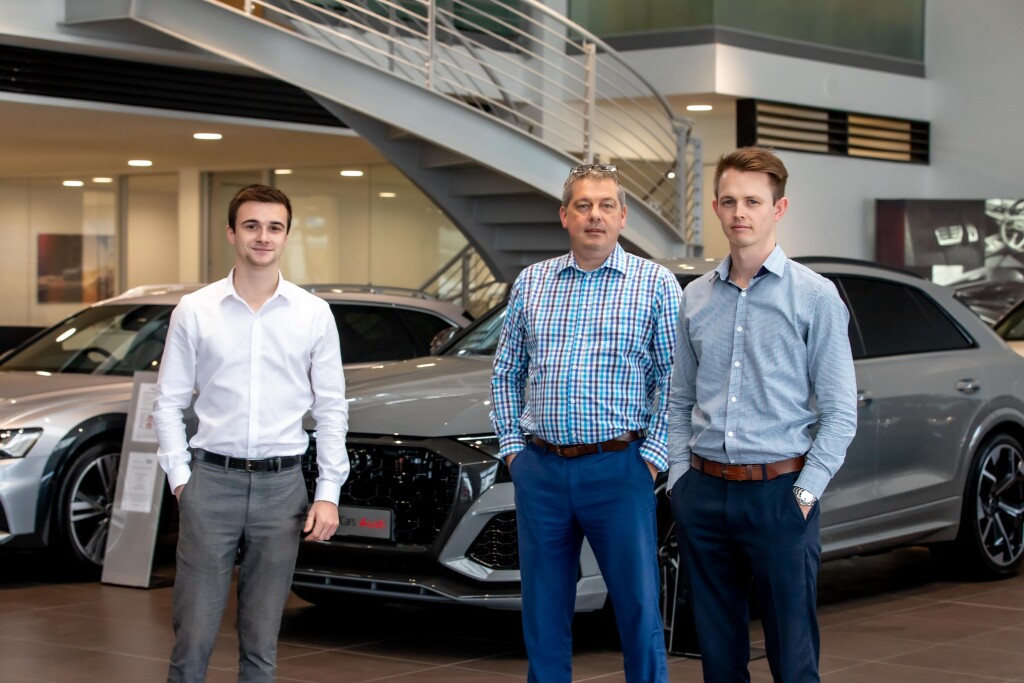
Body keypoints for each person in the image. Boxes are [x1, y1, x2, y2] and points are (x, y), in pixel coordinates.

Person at [667, 147, 857, 682]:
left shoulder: (815, 296)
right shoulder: (696, 297)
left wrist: (804, 494)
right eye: (728, 201)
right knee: (719, 660)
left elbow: (840, 412)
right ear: (715, 207)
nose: (739, 212)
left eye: (753, 201)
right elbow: (679, 400)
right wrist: (680, 481)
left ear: (779, 208)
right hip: (704, 494)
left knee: (792, 661)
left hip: (780, 495)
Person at [490, 163, 680, 683]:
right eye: (583, 205)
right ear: (565, 215)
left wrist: (651, 460)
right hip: (541, 470)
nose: (595, 215)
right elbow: (506, 373)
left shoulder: (655, 284)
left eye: (605, 205)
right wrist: (514, 452)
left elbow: (675, 381)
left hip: (620, 469)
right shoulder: (533, 282)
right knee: (543, 610)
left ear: (623, 216)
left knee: (637, 607)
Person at [153, 184, 349, 682]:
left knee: (262, 642)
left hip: (282, 489)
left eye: (274, 227)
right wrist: (181, 480)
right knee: (193, 636)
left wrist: (328, 492)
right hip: (210, 484)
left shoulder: (312, 313)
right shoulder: (195, 310)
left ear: (286, 236)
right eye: (252, 225)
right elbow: (168, 402)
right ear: (231, 233)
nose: (263, 236)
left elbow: (331, 409)